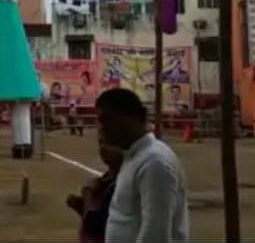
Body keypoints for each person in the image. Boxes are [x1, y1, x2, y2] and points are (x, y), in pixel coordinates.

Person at [95, 88, 189, 243]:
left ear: (131, 119)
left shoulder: (155, 164)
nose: (101, 128)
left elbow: (156, 234)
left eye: (107, 120)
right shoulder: (135, 156)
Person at [66, 130, 123, 242]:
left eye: (109, 143)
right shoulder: (107, 178)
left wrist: (88, 195)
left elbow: (95, 229)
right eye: (100, 142)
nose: (102, 147)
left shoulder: (120, 183)